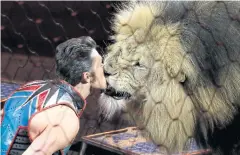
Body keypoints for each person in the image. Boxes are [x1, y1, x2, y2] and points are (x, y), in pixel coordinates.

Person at [1, 36, 107, 155]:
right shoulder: (66, 117)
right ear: (87, 76)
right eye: (100, 65)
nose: (104, 67)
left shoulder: (30, 87)